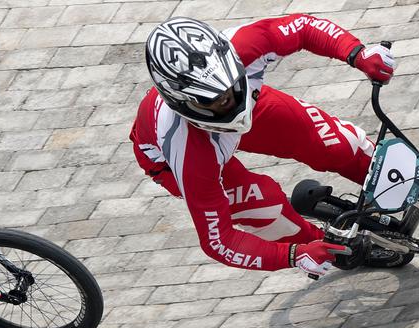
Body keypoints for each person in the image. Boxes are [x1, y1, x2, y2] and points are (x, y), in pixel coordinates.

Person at [130, 15, 401, 278]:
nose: (228, 101)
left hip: (245, 111)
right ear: (183, 102)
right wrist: (295, 254)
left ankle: (397, 180)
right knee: (267, 208)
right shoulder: (190, 155)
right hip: (194, 143)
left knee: (339, 146)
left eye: (232, 86)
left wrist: (357, 53)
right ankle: (333, 250)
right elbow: (219, 242)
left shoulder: (244, 45)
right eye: (212, 100)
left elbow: (304, 28)